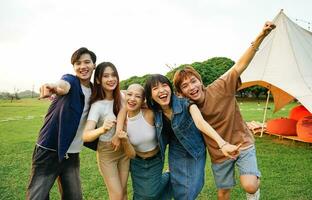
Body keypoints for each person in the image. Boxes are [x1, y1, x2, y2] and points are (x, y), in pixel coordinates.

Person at [173, 22, 276, 200]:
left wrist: (261, 35)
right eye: (185, 85)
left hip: (242, 144)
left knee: (250, 186)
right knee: (223, 193)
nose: (191, 87)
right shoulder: (189, 107)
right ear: (181, 92)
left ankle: (254, 191)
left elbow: (240, 65)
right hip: (219, 153)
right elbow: (193, 124)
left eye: (193, 81)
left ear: (200, 80)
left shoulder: (220, 87)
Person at [144, 74, 240, 200]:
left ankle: (168, 176)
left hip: (195, 149)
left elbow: (201, 123)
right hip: (176, 150)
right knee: (180, 190)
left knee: (194, 186)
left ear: (170, 89)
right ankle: (169, 177)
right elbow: (128, 99)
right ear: (150, 95)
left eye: (164, 85)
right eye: (155, 88)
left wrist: (222, 144)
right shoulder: (154, 110)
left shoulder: (187, 104)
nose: (161, 90)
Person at [26, 47, 96, 200]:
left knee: (74, 197)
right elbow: (62, 86)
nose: (82, 66)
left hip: (71, 154)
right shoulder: (71, 80)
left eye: (87, 62)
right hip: (48, 149)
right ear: (73, 67)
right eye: (78, 63)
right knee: (37, 196)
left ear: (93, 65)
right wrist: (54, 87)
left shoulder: (95, 90)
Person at [83, 62, 129, 200]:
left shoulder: (122, 95)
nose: (111, 79)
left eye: (114, 75)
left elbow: (125, 109)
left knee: (124, 192)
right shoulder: (97, 105)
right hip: (107, 152)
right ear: (98, 80)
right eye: (106, 76)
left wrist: (117, 132)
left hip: (124, 149)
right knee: (116, 195)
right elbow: (85, 135)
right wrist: (102, 129)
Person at [116, 83, 171, 200]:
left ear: (143, 100)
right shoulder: (123, 122)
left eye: (137, 96)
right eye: (129, 94)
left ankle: (168, 175)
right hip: (137, 162)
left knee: (150, 194)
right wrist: (125, 140)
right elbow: (131, 154)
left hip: (155, 159)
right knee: (140, 194)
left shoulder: (150, 114)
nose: (132, 99)